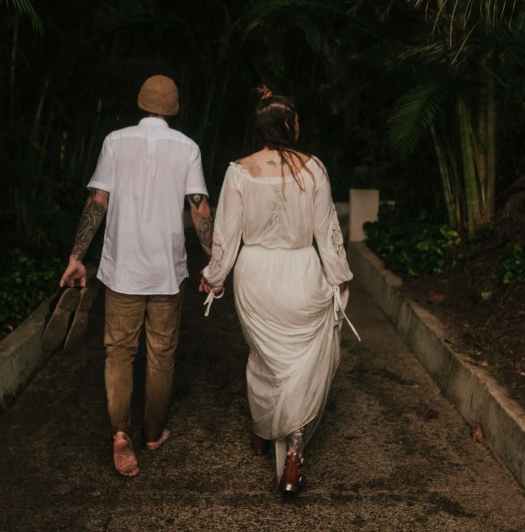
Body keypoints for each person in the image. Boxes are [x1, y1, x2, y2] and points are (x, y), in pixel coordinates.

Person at [199, 85, 352, 495]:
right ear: (288, 124)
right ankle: (294, 451)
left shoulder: (238, 171)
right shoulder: (314, 169)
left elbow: (226, 238)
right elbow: (328, 232)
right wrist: (339, 277)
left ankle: (263, 431)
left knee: (265, 358)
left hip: (255, 276)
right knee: (299, 364)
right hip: (300, 272)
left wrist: (214, 277)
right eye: (296, 118)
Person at [59, 74, 214, 478]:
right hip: (166, 271)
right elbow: (199, 210)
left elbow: (98, 202)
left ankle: (120, 433)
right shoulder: (188, 148)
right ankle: (152, 432)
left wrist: (77, 256)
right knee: (161, 354)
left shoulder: (115, 141)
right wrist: (215, 262)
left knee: (119, 352)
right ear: (174, 109)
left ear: (141, 104)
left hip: (122, 267)